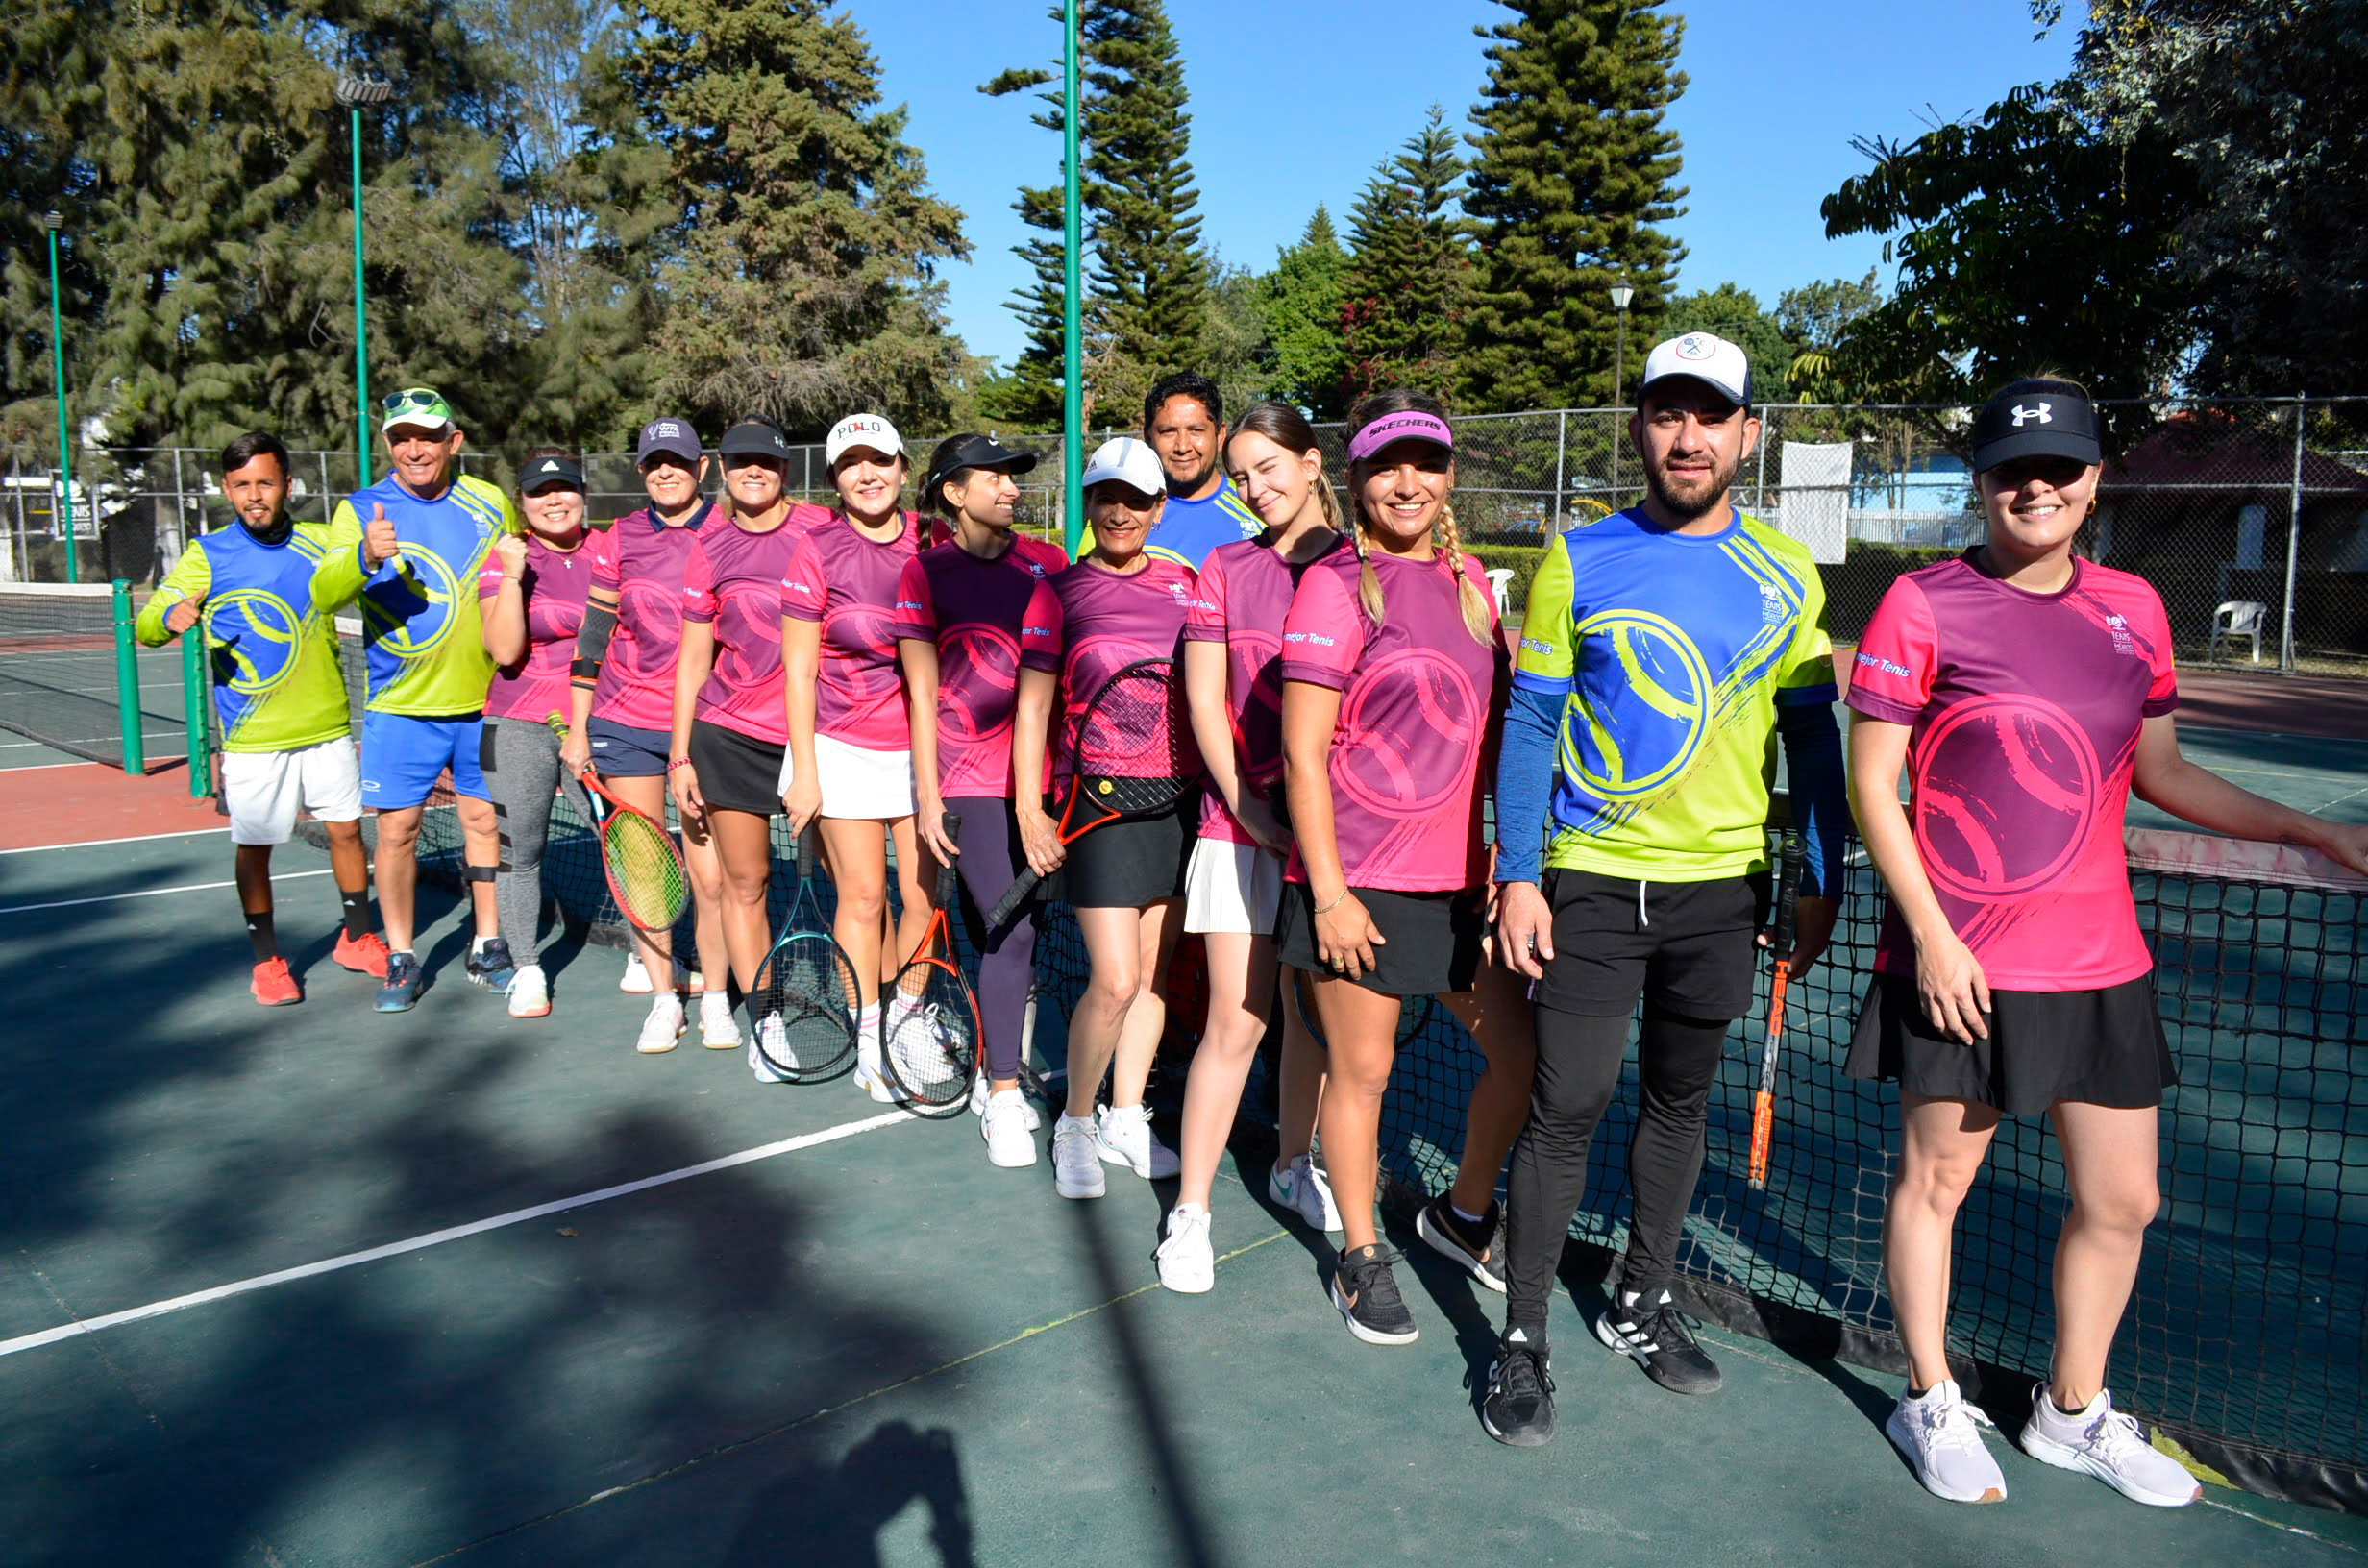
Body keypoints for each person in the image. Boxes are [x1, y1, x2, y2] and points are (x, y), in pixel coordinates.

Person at [1844, 378, 2368, 1507]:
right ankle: (1927, 1397)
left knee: (2125, 1201)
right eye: (2012, 470)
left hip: (2098, 962)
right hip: (1963, 962)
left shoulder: (2134, 606)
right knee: (1936, 1184)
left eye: (2060, 469)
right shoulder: (1921, 605)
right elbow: (1872, 786)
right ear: (1982, 481)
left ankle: (2069, 1412)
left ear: (2092, 481)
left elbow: (2161, 770)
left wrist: (2308, 827)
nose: (2035, 488)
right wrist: (1931, 937)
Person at [1482, 332, 1848, 1445]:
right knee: (1566, 1107)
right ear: (1640, 427)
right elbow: (1531, 725)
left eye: (1710, 416)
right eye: (1666, 414)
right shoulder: (1578, 559)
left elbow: (1811, 740)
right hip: (1592, 885)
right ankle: (1522, 1340)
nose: (1688, 438)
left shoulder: (1788, 576)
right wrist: (1517, 873)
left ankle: (1640, 1300)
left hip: (1722, 896)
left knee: (1679, 1104)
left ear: (1747, 432)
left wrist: (1822, 875)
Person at [1275, 390, 1536, 1346]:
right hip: (1359, 881)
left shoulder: (1472, 585)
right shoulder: (1332, 585)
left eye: (1425, 463)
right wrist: (1330, 895)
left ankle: (1461, 1216)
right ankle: (1359, 1255)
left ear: (1450, 475)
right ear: (1355, 482)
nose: (1407, 483)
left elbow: (1501, 735)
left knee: (1521, 1057)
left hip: (1461, 884)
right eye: (1387, 466)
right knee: (1364, 1073)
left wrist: (1507, 861)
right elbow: (1302, 755)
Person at [1156, 402, 1344, 1293]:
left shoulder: (1361, 567)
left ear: (1312, 464)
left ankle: (1292, 1165)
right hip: (1239, 830)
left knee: (1315, 1022)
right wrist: (1249, 808)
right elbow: (1204, 701)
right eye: (1241, 475)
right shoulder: (1226, 568)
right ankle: (1190, 1212)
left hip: (1338, 843)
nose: (1255, 487)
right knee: (1238, 1021)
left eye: (1269, 467)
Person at [136, 432, 386, 1004]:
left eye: (265, 483)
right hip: (253, 737)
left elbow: (363, 572)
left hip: (326, 726)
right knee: (256, 847)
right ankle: (268, 961)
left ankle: (357, 937)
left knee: (347, 832)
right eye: (242, 485)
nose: (254, 495)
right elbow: (149, 623)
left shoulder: (322, 542)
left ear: (287, 486)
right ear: (227, 490)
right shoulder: (206, 555)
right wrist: (167, 618)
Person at [1013, 436, 1196, 1198]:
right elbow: (1032, 708)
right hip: (1097, 802)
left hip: (1178, 801)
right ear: (1089, 504)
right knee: (1115, 980)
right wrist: (1029, 808)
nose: (1121, 512)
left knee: (1153, 974)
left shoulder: (1188, 585)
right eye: (1107, 497)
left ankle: (1125, 1113)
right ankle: (1076, 1122)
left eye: (1136, 499)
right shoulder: (1057, 593)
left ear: (1159, 508)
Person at [313, 387, 518, 1012]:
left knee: (484, 824)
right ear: (387, 444)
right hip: (400, 709)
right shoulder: (361, 510)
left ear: (453, 442)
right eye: (401, 438)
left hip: (484, 703)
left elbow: (512, 585)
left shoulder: (490, 502)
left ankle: (488, 943)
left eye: (427, 437)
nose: (414, 449)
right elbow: (323, 594)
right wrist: (363, 555)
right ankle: (401, 955)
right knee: (398, 832)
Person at [896, 432, 1060, 1164]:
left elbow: (1041, 693)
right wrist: (929, 797)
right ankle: (1001, 1093)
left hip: (1038, 782)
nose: (1010, 488)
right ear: (953, 493)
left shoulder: (1045, 570)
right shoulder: (923, 573)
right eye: (992, 477)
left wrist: (1036, 797)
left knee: (1014, 932)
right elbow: (922, 692)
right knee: (1010, 929)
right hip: (965, 781)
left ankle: (999, 1062)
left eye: (1012, 477)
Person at [563, 417, 740, 1053]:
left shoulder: (729, 533)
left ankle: (715, 997)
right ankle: (666, 1000)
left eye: (678, 461)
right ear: (641, 471)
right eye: (654, 462)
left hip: (706, 728)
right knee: (644, 872)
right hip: (625, 722)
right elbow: (593, 635)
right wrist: (578, 728)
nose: (666, 471)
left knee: (711, 878)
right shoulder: (621, 537)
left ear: (701, 467)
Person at [779, 414, 942, 1099]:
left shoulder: (935, 541)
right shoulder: (816, 549)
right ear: (834, 479)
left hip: (925, 749)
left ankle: (908, 1018)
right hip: (840, 746)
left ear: (904, 468)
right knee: (865, 895)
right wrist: (806, 771)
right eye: (851, 464)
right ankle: (870, 1036)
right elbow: (797, 670)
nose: (867, 474)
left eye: (880, 460)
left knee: (923, 897)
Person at [667, 416, 813, 1080]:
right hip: (727, 736)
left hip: (818, 737)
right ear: (723, 470)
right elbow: (694, 660)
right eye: (741, 461)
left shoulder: (821, 530)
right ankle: (767, 1019)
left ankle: (877, 1015)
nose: (755, 471)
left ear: (786, 469)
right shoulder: (709, 547)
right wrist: (679, 755)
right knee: (746, 882)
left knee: (856, 885)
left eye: (768, 461)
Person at [478, 450, 600, 1020]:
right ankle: (527, 968)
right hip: (518, 723)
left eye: (565, 488)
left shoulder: (611, 549)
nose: (554, 500)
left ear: (583, 495)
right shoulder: (505, 559)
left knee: (625, 842)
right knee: (522, 851)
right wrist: (511, 574)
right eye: (539, 492)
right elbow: (504, 650)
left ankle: (648, 957)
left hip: (597, 723)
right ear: (522, 503)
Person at [1089, 372, 1260, 570]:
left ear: (1220, 435)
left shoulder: (1256, 506)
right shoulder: (1112, 520)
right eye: (1168, 432)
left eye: (1196, 430)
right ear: (1148, 437)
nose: (1182, 446)